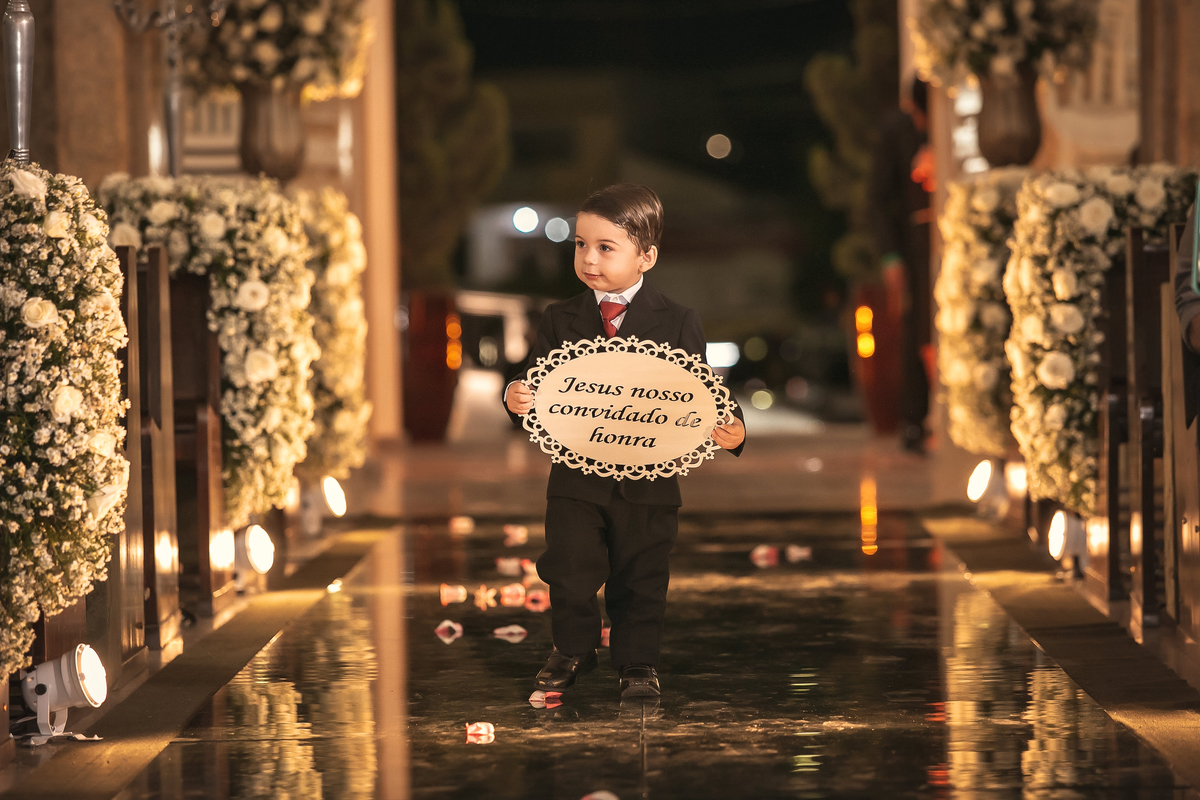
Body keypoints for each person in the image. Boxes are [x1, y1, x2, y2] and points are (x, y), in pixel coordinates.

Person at [503, 183, 746, 700]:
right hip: (575, 478)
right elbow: (534, 381)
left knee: (641, 575)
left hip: (650, 483)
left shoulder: (677, 321)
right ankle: (572, 647)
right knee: (567, 566)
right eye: (580, 245)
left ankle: (637, 663)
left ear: (647, 256)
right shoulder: (560, 319)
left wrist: (732, 426)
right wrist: (517, 396)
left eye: (605, 247)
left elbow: (701, 391)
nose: (589, 258)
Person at [867, 76, 933, 453]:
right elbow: (878, 199)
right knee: (918, 326)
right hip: (915, 242)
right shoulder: (897, 130)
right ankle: (915, 419)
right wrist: (891, 256)